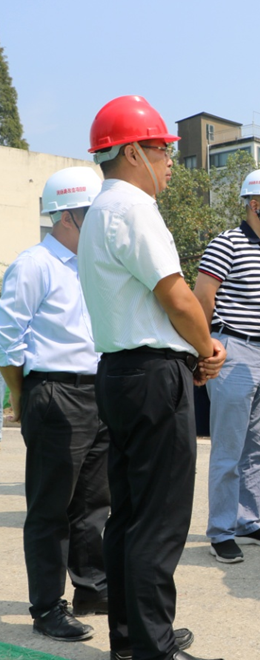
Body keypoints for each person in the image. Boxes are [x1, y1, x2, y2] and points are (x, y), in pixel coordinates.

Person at [79, 95, 226, 660]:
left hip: (119, 372)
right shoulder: (134, 207)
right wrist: (207, 347)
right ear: (133, 152)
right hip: (152, 375)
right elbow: (178, 297)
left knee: (130, 514)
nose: (169, 161)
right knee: (159, 519)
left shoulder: (99, 211)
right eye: (163, 150)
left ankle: (130, 636)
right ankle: (152, 645)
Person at [0, 167, 109, 643]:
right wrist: (20, 395)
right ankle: (47, 606)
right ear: (68, 216)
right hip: (54, 391)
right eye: (93, 214)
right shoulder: (34, 265)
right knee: (51, 508)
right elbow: (8, 342)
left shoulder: (93, 265)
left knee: (93, 503)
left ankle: (92, 588)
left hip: (97, 390)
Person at [194, 168, 260, 564]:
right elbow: (203, 297)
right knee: (229, 448)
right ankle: (221, 531)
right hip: (234, 350)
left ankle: (248, 521)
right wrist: (203, 350)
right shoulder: (226, 243)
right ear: (255, 204)